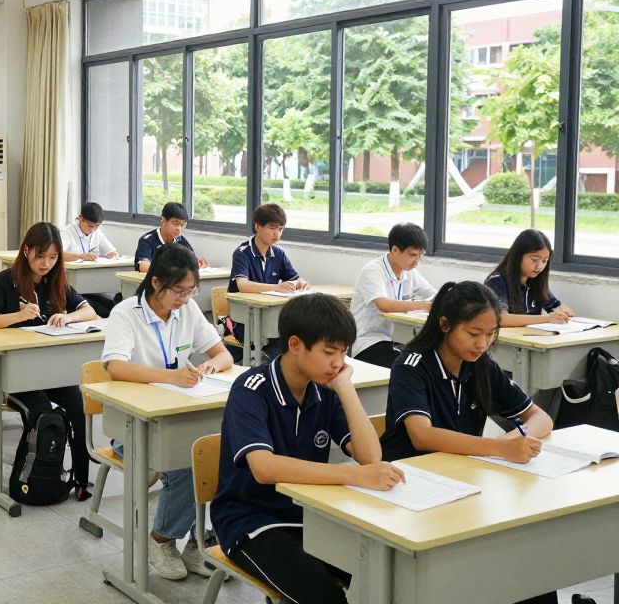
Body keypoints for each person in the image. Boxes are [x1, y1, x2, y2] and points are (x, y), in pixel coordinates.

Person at [212, 294, 403, 604]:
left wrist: (345, 388)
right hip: (251, 521)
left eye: (343, 353)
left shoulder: (324, 390)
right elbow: (264, 469)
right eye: (329, 352)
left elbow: (370, 458)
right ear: (296, 344)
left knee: (382, 575)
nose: (338, 362)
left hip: (311, 514)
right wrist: (354, 476)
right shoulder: (252, 389)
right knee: (325, 597)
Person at [380, 280, 557, 604]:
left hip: (463, 482)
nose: (483, 344)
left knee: (532, 555)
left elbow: (540, 417)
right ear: (445, 325)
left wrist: (516, 438)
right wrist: (499, 448)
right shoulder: (412, 365)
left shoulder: (481, 366)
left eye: (490, 334)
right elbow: (422, 435)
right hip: (411, 488)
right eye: (474, 333)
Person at [102, 243, 234, 580]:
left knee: (223, 454)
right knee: (187, 464)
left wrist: (210, 367)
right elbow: (115, 367)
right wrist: (169, 376)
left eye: (191, 291)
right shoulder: (126, 313)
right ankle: (161, 538)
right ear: (156, 282)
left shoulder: (187, 310)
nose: (184, 299)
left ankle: (197, 543)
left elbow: (223, 354)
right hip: (133, 424)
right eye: (178, 290)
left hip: (179, 416)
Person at [0, 222, 96, 498]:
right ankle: (31, 479)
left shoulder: (56, 280)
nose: (46, 264)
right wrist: (18, 316)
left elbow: (89, 312)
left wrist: (67, 316)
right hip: (13, 375)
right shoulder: (5, 281)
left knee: (77, 404)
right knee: (41, 412)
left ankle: (81, 479)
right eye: (40, 256)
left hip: (48, 372)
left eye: (53, 257)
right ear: (26, 251)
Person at [349, 222, 435, 368]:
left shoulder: (409, 272)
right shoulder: (373, 271)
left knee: (427, 361)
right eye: (413, 255)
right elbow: (385, 305)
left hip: (390, 341)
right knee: (411, 366)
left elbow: (433, 294)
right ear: (395, 250)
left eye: (421, 256)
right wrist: (426, 306)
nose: (417, 261)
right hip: (367, 343)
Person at [228, 203, 308, 357]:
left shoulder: (278, 253)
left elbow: (294, 277)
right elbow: (243, 285)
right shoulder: (242, 253)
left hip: (269, 316)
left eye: (280, 229)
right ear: (257, 226)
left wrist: (300, 283)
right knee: (283, 343)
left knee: (299, 334)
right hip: (245, 320)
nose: (276, 233)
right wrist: (278, 288)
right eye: (272, 228)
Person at [485, 229, 575, 328]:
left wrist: (564, 314)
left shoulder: (536, 281)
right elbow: (501, 318)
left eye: (544, 261)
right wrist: (548, 318)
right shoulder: (496, 281)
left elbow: (556, 307)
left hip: (531, 336)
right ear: (518, 256)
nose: (539, 267)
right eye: (534, 260)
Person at [60, 201, 119, 317]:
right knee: (102, 310)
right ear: (80, 218)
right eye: (90, 226)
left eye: (97, 226)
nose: (93, 230)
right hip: (74, 288)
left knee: (111, 306)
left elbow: (112, 252)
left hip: (93, 286)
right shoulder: (67, 232)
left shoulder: (97, 233)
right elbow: (57, 254)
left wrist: (113, 256)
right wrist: (80, 256)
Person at [134, 201, 206, 273]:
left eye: (182, 225)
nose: (179, 228)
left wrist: (197, 262)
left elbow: (192, 260)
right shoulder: (147, 240)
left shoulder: (180, 240)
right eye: (176, 223)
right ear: (163, 220)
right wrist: (170, 270)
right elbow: (143, 266)